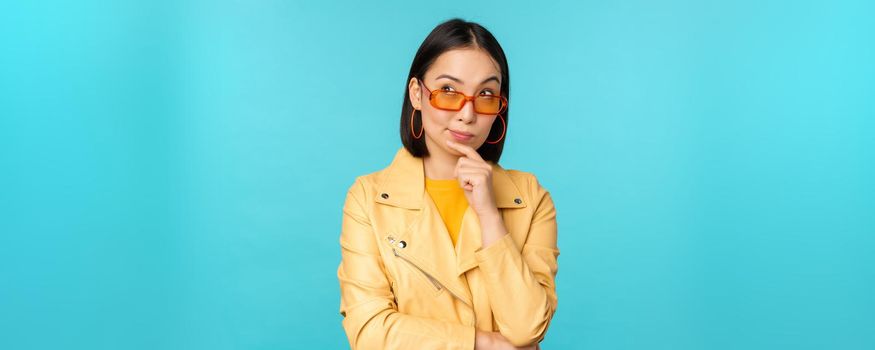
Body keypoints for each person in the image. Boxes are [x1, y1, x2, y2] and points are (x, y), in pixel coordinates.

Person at [337, 18, 559, 350]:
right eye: (449, 91)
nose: (467, 114)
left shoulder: (529, 199)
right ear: (417, 94)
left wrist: (489, 216)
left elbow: (527, 326)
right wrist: (482, 343)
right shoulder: (368, 199)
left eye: (485, 94)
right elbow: (369, 330)